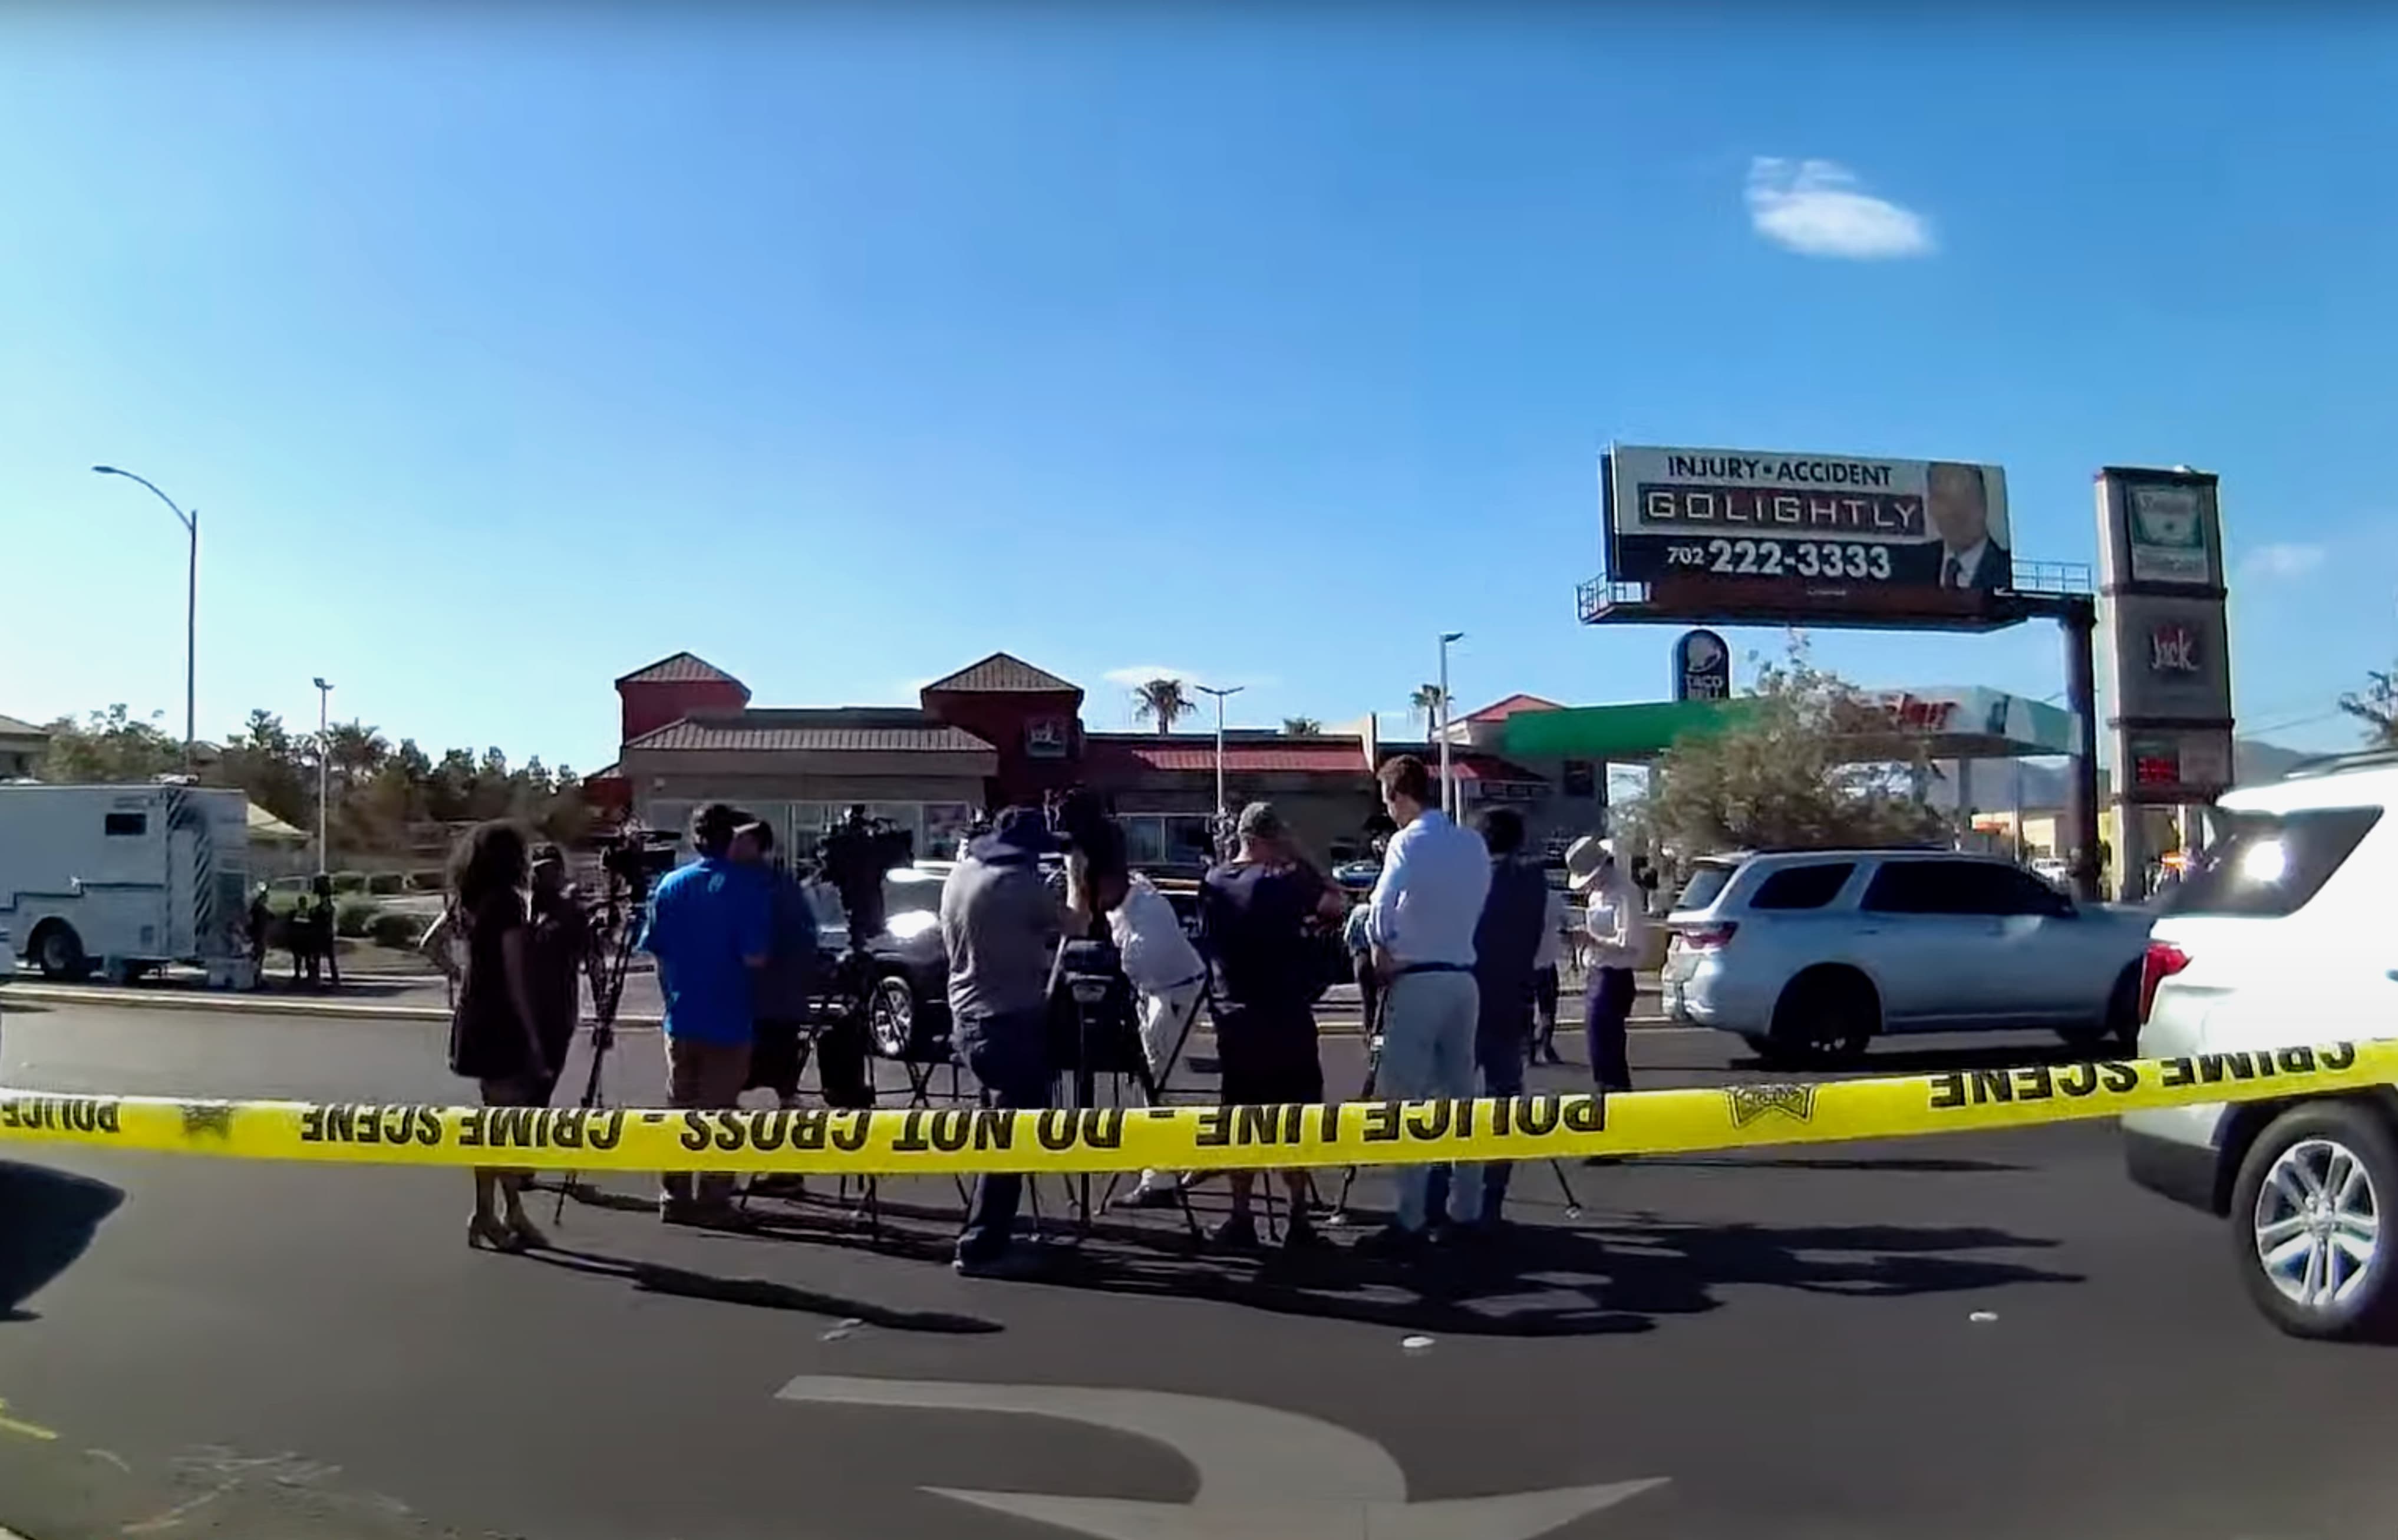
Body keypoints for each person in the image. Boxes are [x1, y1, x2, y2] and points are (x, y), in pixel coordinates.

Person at [1196, 801, 1348, 1251]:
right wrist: (1298, 851)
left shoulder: (1214, 881)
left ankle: (1240, 1215)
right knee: (1295, 1116)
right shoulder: (1286, 881)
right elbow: (1335, 901)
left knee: (1241, 1115)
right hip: (1284, 1013)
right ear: (1271, 837)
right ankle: (1297, 1217)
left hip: (1235, 1015)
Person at [1357, 756, 1490, 1255]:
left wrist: (1382, 947)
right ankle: (1467, 1207)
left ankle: (1410, 1216)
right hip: (1463, 976)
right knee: (1462, 1097)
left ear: (1397, 795)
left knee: (1404, 1098)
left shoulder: (1407, 840)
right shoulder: (1470, 842)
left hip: (1419, 978)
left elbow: (1380, 906)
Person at [942, 806, 1073, 1276]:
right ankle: (981, 1242)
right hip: (1008, 1019)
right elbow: (1075, 922)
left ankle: (988, 1230)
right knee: (1011, 1138)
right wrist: (1076, 868)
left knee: (996, 1130)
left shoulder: (961, 874)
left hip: (968, 1014)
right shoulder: (1018, 885)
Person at [638, 803, 771, 1225]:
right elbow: (754, 957)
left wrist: (671, 998)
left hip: (681, 1014)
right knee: (719, 1111)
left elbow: (656, 953)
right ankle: (714, 1198)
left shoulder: (670, 885)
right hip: (728, 1016)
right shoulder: (746, 888)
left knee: (680, 1104)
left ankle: (672, 1194)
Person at [1427, 807, 1549, 1228]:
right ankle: (1490, 1205)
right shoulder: (1534, 883)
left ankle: (1433, 1203)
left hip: (1459, 1004)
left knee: (1443, 1109)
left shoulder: (1460, 881)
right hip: (1508, 1006)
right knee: (1504, 1108)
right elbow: (1543, 952)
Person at [444, 820, 552, 1252]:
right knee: (502, 1123)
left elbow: (436, 946)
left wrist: (463, 977)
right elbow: (514, 974)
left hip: (475, 1013)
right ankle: (491, 1212)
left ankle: (503, 1211)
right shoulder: (506, 904)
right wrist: (533, 1033)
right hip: (500, 1019)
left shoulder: (470, 900)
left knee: (497, 1119)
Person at [731, 819, 823, 1199]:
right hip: (773, 1002)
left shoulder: (769, 888)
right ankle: (782, 1167)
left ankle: (779, 1168)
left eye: (738, 841)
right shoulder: (777, 886)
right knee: (775, 1088)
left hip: (766, 1003)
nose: (730, 848)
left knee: (749, 1086)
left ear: (756, 845)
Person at [1110, 865, 1209, 1208]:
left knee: (1160, 1081)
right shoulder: (1135, 900)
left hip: (1173, 993)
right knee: (1162, 1079)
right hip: (1163, 991)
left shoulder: (1144, 911)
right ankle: (1198, 1150)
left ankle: (1169, 1171)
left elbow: (1138, 960)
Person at [1568, 836, 1647, 1099]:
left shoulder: (1624, 893)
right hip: (1597, 971)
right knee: (1597, 1042)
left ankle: (1617, 1095)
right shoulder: (1597, 896)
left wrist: (1592, 940)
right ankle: (1606, 1093)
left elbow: (1629, 940)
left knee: (1607, 1043)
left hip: (1614, 975)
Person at [525, 843, 588, 1107]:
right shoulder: (522, 909)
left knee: (544, 1081)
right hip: (523, 1006)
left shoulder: (570, 913)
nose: (546, 878)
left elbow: (591, 958)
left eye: (553, 870)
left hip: (559, 1008)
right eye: (540, 872)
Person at [1925, 461, 2011, 592]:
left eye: (1965, 498)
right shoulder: (1909, 563)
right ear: (1930, 505)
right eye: (1944, 499)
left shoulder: (2002, 567)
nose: (1954, 512)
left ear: (1984, 502)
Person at [1531, 880, 1568, 1066]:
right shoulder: (1555, 898)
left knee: (1527, 1007)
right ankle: (1546, 1045)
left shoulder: (1521, 897)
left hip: (1525, 961)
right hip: (1547, 959)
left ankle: (1529, 1049)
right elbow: (1565, 925)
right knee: (1549, 1007)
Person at [245, 884, 272, 989]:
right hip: (258, 937)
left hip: (260, 937)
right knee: (257, 958)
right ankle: (256, 979)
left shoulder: (260, 908)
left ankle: (258, 977)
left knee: (259, 958)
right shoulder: (258, 909)